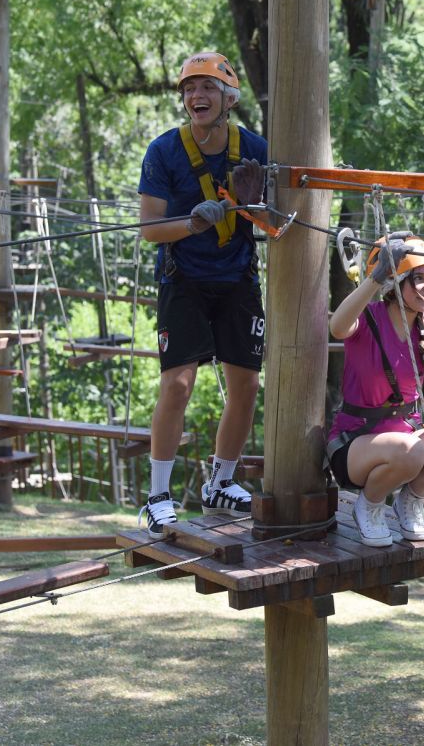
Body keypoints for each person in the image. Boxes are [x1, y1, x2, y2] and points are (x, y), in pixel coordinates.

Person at [136, 51, 268, 535]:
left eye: (208, 88)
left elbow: (277, 227)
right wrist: (191, 221)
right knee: (177, 385)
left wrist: (254, 208)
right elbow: (150, 229)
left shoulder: (254, 147)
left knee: (247, 385)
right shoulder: (164, 151)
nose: (197, 96)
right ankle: (157, 497)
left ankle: (221, 481)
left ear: (228, 98)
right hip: (184, 279)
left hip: (237, 278)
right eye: (190, 89)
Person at [327, 233, 424, 546]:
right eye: (418, 279)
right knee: (409, 450)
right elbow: (338, 327)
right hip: (355, 446)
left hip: (406, 444)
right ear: (395, 283)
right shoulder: (368, 318)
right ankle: (369, 505)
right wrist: (375, 277)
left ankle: (409, 500)